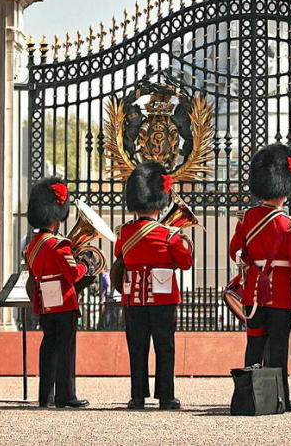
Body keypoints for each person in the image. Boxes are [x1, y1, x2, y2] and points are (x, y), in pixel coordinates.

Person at [228, 144, 291, 410]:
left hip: (253, 294)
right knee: (278, 350)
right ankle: (279, 398)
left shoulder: (247, 218)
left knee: (254, 345)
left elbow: (233, 252)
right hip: (283, 295)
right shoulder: (290, 224)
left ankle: (247, 394)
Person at [115, 161, 194, 410]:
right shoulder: (169, 234)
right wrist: (184, 241)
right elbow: (186, 263)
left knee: (137, 348)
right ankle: (165, 397)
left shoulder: (125, 233)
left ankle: (137, 397)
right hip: (163, 300)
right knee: (164, 348)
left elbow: (121, 257)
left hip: (133, 299)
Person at [24, 176, 92, 409]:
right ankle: (66, 395)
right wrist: (86, 265)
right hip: (63, 302)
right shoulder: (58, 244)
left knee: (48, 347)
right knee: (65, 350)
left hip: (45, 302)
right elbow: (73, 275)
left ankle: (46, 395)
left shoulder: (32, 245)